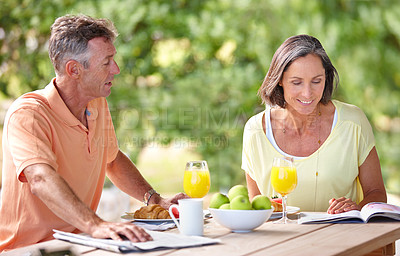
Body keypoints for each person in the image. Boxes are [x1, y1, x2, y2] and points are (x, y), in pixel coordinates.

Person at [0, 14, 186, 251]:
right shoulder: (28, 114)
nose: (116, 69)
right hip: (29, 250)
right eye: (106, 62)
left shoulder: (96, 104)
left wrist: (155, 200)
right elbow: (40, 178)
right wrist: (95, 224)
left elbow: (113, 160)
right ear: (74, 70)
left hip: (81, 245)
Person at [241, 34, 387, 213]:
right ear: (280, 80)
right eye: (296, 82)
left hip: (341, 237)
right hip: (280, 239)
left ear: (326, 78)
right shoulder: (255, 130)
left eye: (316, 81)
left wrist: (356, 208)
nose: (307, 93)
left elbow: (377, 193)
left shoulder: (353, 122)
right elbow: (255, 204)